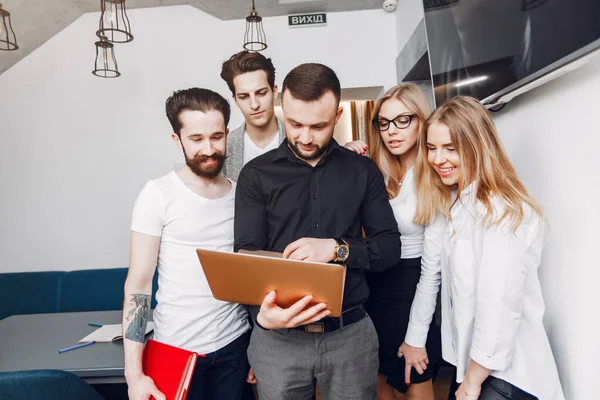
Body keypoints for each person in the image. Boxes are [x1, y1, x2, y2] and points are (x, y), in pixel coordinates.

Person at [234, 63, 402, 400]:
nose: (305, 137)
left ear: (338, 115)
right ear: (283, 106)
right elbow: (246, 258)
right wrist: (261, 318)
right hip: (278, 340)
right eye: (295, 124)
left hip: (350, 335)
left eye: (319, 126)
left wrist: (336, 249)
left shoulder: (362, 171)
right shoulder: (255, 175)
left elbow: (389, 247)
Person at [400, 96, 565, 400]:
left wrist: (473, 382)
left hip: (508, 377)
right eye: (432, 148)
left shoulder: (501, 212)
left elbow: (498, 306)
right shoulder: (457, 202)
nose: (438, 159)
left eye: (450, 149)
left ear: (478, 146)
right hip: (477, 370)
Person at [123, 88, 251, 400]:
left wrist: (259, 352)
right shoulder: (157, 194)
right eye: (196, 139)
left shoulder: (242, 194)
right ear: (177, 140)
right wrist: (134, 375)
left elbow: (254, 274)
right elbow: (138, 285)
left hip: (236, 347)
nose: (209, 149)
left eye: (217, 136)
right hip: (177, 352)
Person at [344, 83, 441, 400]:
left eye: (403, 120)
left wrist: (416, 335)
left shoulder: (433, 175)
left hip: (411, 288)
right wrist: (343, 160)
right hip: (371, 285)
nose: (391, 131)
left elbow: (432, 271)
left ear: (420, 121)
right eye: (383, 123)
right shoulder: (373, 171)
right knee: (379, 378)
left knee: (416, 374)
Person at [220, 50, 286, 181]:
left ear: (274, 92)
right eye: (244, 97)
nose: (254, 104)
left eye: (261, 93)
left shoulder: (297, 141)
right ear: (235, 100)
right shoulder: (225, 147)